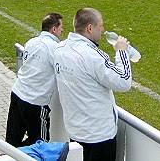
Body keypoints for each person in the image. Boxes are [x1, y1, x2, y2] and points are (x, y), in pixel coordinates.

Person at [53, 8, 132, 161]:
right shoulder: (92, 55)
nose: (102, 30)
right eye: (100, 26)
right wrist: (121, 52)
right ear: (90, 28)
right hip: (99, 136)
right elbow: (123, 81)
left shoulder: (60, 49)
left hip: (76, 132)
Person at [6, 13, 64, 147]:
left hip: (17, 94)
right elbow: (63, 72)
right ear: (53, 29)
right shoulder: (55, 48)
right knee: (41, 144)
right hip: (35, 102)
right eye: (61, 27)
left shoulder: (31, 42)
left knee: (11, 140)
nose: (62, 31)